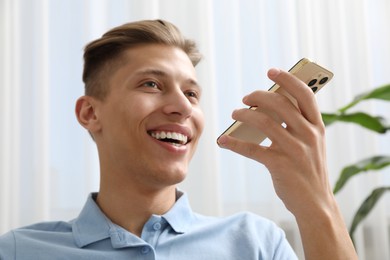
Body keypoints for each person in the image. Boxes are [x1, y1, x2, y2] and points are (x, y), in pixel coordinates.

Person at [0, 19, 357, 259]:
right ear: (90, 113)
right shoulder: (19, 250)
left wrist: (315, 201)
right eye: (151, 84)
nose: (181, 107)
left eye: (191, 93)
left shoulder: (255, 243)